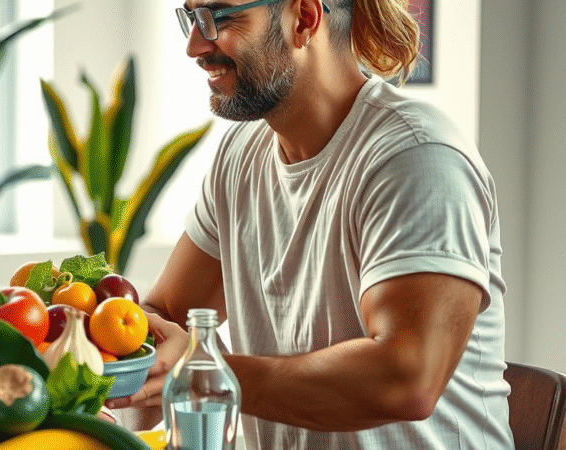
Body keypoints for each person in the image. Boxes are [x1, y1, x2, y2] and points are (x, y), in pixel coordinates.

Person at [105, 0, 512, 448]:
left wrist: (206, 372)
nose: (194, 46)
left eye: (218, 17)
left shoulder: (416, 157)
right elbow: (163, 314)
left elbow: (405, 379)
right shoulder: (239, 156)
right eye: (191, 17)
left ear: (303, 18)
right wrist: (107, 349)